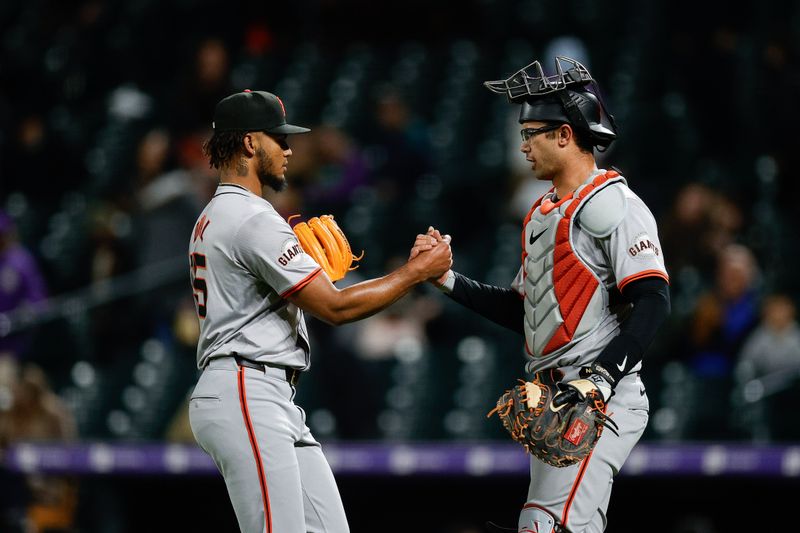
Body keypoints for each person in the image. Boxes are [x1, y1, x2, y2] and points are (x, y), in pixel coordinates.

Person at [412, 57, 671, 532]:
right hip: (556, 399)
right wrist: (446, 278)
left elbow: (653, 299)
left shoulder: (613, 203)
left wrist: (601, 379)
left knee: (545, 524)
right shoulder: (543, 213)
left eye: (532, 132)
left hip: (600, 397)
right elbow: (526, 312)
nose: (523, 145)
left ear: (565, 136)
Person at [187, 89, 452, 533]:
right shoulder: (252, 218)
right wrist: (416, 272)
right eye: (279, 139)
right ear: (251, 143)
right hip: (246, 386)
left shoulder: (216, 214)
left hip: (262, 391)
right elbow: (335, 307)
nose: (290, 150)